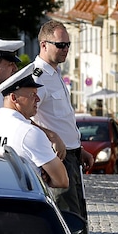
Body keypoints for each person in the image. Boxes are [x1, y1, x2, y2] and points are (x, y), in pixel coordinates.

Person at [29, 20, 94, 220]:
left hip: (71, 154)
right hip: (56, 157)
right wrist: (51, 136)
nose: (65, 49)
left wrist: (78, 148)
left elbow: (60, 118)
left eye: (68, 45)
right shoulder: (36, 78)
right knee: (68, 218)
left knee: (79, 215)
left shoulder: (56, 72)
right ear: (44, 45)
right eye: (60, 45)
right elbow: (21, 119)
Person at [0, 65, 68, 189]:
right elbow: (62, 181)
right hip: (25, 202)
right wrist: (43, 179)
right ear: (14, 98)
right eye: (32, 94)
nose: (37, 99)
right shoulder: (30, 133)